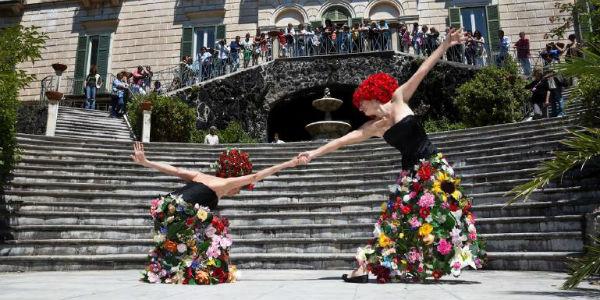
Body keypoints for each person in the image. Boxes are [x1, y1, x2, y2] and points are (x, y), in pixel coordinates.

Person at [297, 28, 484, 283]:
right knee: (394, 221)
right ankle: (366, 267)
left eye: (361, 102)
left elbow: (423, 70)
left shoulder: (399, 98)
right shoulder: (373, 127)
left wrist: (445, 45)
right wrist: (313, 152)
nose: (360, 108)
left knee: (447, 215)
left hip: (433, 166)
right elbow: (340, 141)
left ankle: (443, 260)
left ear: (372, 95)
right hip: (411, 175)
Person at [132, 142, 300, 284]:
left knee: (203, 227)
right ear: (234, 184)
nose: (238, 192)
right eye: (239, 189)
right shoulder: (225, 183)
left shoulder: (200, 175)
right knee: (215, 231)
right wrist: (288, 164)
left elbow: (175, 170)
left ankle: (170, 269)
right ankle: (198, 269)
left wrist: (147, 162)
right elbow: (256, 176)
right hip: (179, 212)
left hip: (165, 206)